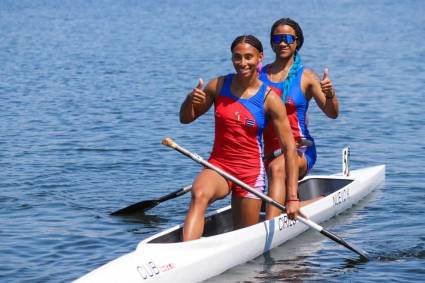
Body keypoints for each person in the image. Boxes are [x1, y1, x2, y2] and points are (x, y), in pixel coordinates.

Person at [179, 35, 299, 241]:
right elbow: (185, 119)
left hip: (250, 174)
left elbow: (289, 149)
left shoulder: (270, 99)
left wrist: (292, 197)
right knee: (199, 194)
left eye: (248, 57)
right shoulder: (217, 85)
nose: (242, 63)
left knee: (243, 237)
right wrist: (189, 100)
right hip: (219, 166)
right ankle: (183, 256)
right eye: (237, 57)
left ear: (260, 57)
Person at [259, 18, 340, 219]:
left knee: (279, 168)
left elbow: (332, 113)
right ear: (271, 43)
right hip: (265, 151)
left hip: (299, 150)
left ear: (297, 42)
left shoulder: (307, 77)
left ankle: (270, 226)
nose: (283, 43)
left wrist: (330, 94)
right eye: (278, 38)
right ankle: (315, 202)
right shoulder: (258, 76)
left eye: (288, 38)